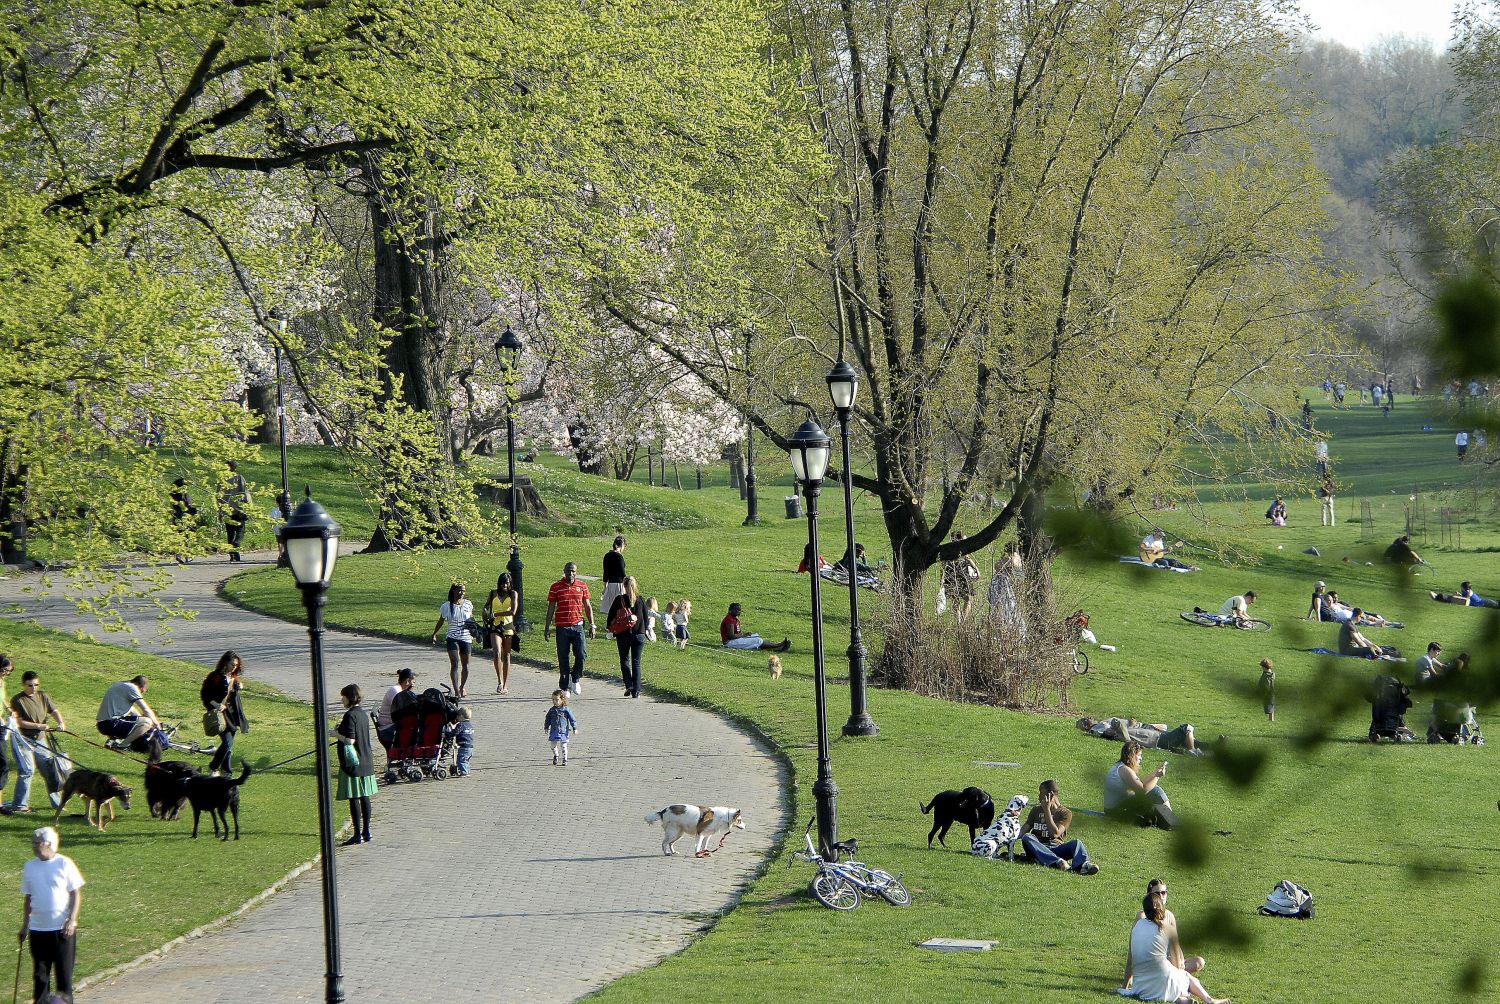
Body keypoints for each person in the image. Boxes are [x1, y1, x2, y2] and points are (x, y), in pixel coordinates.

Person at [1121, 887, 1228, 1003]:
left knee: (1169, 984)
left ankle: (1182, 1001)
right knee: (1185, 976)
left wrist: (1125, 987)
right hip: (1163, 979)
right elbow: (1176, 963)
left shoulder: (1138, 925)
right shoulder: (1168, 928)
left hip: (1141, 986)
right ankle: (1210, 1000)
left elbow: (1130, 960)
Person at [19, 827, 84, 1004]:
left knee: (64, 978)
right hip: (38, 930)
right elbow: (28, 898)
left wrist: (72, 920)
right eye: (32, 842)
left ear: (49, 844)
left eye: (36, 843)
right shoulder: (30, 866)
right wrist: (25, 925)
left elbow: (76, 893)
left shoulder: (64, 863)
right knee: (40, 977)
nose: (33, 846)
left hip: (62, 931)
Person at [4, 672, 65, 815]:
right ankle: (20, 806)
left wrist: (60, 722)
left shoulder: (43, 696)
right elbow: (18, 722)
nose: (33, 688)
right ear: (23, 685)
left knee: (49, 770)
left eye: (36, 685)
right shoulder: (18, 700)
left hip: (40, 740)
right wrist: (39, 726)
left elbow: (54, 710)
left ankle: (58, 804)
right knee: (27, 771)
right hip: (22, 740)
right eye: (30, 685)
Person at [1018, 779, 1098, 874]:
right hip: (1037, 848)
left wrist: (1047, 810)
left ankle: (1083, 865)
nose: (1039, 796)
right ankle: (1057, 862)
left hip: (1056, 848)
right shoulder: (1036, 810)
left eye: (1041, 792)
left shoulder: (1065, 813)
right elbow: (1024, 830)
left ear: (1050, 794)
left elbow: (1054, 834)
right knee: (1027, 837)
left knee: (1077, 843)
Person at [544, 563, 595, 695]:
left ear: (576, 572)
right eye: (568, 571)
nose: (571, 574)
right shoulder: (556, 587)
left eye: (573, 571)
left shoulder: (582, 586)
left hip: (578, 626)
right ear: (564, 572)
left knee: (581, 654)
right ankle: (565, 686)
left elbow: (588, 606)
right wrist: (547, 626)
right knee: (563, 657)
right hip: (562, 627)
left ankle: (575, 677)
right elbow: (551, 607)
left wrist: (592, 624)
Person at [335, 684, 377, 845]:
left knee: (354, 798)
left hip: (354, 763)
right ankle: (367, 831)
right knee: (365, 797)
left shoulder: (350, 715)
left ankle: (357, 834)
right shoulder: (362, 714)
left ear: (350, 697)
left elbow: (350, 740)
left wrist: (335, 734)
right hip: (367, 761)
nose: (342, 700)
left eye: (343, 697)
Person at [1104, 741, 1176, 829]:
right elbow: (1142, 790)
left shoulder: (1119, 767)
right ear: (1132, 756)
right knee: (1156, 790)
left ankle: (1169, 819)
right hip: (1116, 810)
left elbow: (1140, 784)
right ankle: (1171, 821)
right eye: (1139, 755)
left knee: (1154, 791)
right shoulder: (1125, 770)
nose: (1141, 758)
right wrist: (1157, 776)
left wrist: (1155, 774)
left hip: (1115, 808)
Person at [94, 675, 165, 761]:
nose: (142, 693)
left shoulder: (120, 685)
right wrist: (157, 726)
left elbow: (133, 711)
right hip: (111, 724)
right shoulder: (132, 688)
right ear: (142, 687)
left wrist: (140, 722)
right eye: (143, 691)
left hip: (103, 724)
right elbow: (146, 709)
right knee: (147, 722)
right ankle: (122, 746)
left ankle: (114, 740)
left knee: (141, 723)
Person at [200, 650, 248, 777]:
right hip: (220, 716)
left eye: (236, 665)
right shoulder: (214, 677)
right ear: (225, 663)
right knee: (227, 743)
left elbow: (234, 696)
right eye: (232, 664)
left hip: (233, 715)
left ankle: (226, 773)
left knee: (229, 746)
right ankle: (214, 766)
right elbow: (205, 695)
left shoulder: (234, 678)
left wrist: (239, 686)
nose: (234, 667)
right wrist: (216, 705)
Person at [607, 576, 650, 697]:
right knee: (636, 662)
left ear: (624, 586)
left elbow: (610, 618)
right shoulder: (640, 600)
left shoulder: (619, 600)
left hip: (623, 635)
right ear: (635, 585)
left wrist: (612, 629)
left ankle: (629, 685)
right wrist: (643, 630)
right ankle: (636, 690)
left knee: (624, 660)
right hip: (639, 635)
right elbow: (646, 620)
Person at [431, 583, 474, 699]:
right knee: (455, 663)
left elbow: (471, 620)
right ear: (454, 591)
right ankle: (456, 690)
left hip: (465, 637)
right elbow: (441, 621)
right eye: (460, 590)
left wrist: (476, 632)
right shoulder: (446, 606)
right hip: (452, 637)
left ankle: (462, 687)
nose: (462, 593)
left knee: (466, 665)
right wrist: (435, 633)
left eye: (464, 591)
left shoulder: (468, 604)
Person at [1076, 717, 1203, 755]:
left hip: (1151, 734)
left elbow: (1123, 725)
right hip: (1154, 739)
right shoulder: (1098, 728)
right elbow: (1109, 732)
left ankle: (1213, 746)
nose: (1087, 719)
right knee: (1186, 728)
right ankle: (1193, 752)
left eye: (1085, 718)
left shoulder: (1102, 723)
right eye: (1084, 721)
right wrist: (1118, 727)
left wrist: (1130, 724)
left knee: (1187, 739)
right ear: (1085, 727)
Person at [483, 572, 519, 695]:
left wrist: (497, 614)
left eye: (507, 583)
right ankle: (499, 681)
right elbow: (487, 606)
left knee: (507, 655)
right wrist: (485, 612)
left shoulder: (513, 594)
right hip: (495, 626)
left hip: (508, 626)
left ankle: (505, 684)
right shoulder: (493, 593)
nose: (505, 585)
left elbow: (513, 611)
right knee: (497, 652)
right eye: (503, 583)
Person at [719, 603, 790, 652]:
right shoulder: (729, 619)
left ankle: (777, 646)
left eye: (739, 610)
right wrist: (744, 635)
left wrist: (744, 634)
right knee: (757, 640)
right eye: (736, 609)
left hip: (735, 640)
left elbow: (737, 633)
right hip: (730, 643)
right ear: (730, 610)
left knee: (756, 635)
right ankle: (778, 646)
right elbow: (731, 636)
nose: (738, 611)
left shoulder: (734, 618)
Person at [940, 531, 980, 618]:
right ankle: (960, 623)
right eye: (964, 539)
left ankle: (962, 621)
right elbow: (944, 564)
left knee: (966, 599)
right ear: (959, 540)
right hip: (955, 575)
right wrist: (942, 578)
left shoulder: (959, 549)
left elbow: (967, 558)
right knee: (958, 599)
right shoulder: (950, 550)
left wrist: (976, 569)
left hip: (961, 575)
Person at [377, 668, 416, 751]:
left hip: (389, 726)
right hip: (388, 730)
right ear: (407, 681)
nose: (413, 685)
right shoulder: (395, 691)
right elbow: (402, 711)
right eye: (413, 682)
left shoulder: (399, 690)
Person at [220, 460, 251, 562]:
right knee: (240, 530)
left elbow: (218, 496)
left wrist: (220, 511)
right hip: (237, 508)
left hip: (226, 510)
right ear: (235, 468)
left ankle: (233, 555)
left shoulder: (222, 480)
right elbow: (244, 492)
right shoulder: (239, 478)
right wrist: (246, 506)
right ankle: (236, 544)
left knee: (230, 533)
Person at [544, 689, 578, 766]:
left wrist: (574, 728)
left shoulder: (566, 709)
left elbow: (572, 719)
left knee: (563, 746)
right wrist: (546, 727)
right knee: (552, 746)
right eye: (553, 699)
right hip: (554, 731)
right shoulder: (552, 710)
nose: (554, 701)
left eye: (556, 699)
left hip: (563, 731)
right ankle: (556, 755)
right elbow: (548, 718)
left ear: (562, 699)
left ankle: (564, 759)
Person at [599, 536, 627, 618]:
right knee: (620, 607)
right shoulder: (619, 557)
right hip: (619, 584)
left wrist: (605, 586)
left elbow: (605, 572)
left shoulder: (607, 555)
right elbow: (622, 573)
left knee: (611, 608)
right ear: (622, 545)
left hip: (610, 584)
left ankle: (611, 625)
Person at [1430, 582, 1500, 608]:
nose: (1460, 588)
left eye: (1461, 587)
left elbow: (1467, 600)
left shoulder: (1469, 592)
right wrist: (1459, 595)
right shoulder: (1465, 592)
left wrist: (1457, 597)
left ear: (1464, 587)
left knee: (1497, 604)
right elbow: (1465, 599)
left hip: (1484, 602)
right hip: (1480, 603)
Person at [451, 706, 474, 776]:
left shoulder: (461, 725)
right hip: (470, 746)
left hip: (463, 746)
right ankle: (467, 771)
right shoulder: (470, 725)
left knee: (461, 760)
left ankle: (464, 772)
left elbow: (455, 733)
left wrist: (448, 733)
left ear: (461, 716)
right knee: (466, 760)